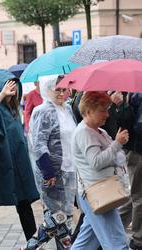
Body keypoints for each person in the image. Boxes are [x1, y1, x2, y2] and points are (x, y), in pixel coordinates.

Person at [0, 69, 39, 246]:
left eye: (14, 86)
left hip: (17, 167)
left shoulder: (14, 110)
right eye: (7, 85)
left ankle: (33, 242)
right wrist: (1, 95)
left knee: (24, 204)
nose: (12, 89)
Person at [71, 92, 129, 250]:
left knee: (86, 242)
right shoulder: (84, 133)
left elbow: (113, 156)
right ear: (88, 111)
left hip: (99, 191)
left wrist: (116, 145)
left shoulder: (98, 131)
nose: (107, 114)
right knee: (117, 243)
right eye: (102, 110)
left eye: (107, 109)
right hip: (98, 192)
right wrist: (117, 143)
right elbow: (96, 162)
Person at [26, 75, 77, 250]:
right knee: (58, 218)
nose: (62, 93)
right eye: (58, 89)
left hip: (69, 171)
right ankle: (30, 247)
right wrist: (48, 172)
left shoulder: (68, 109)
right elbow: (39, 143)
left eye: (64, 89)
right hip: (53, 174)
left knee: (66, 218)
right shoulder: (43, 111)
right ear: (48, 90)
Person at [119, 93, 142, 250]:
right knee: (138, 197)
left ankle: (113, 226)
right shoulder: (138, 93)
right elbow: (139, 126)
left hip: (135, 150)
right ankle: (139, 239)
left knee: (134, 196)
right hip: (137, 150)